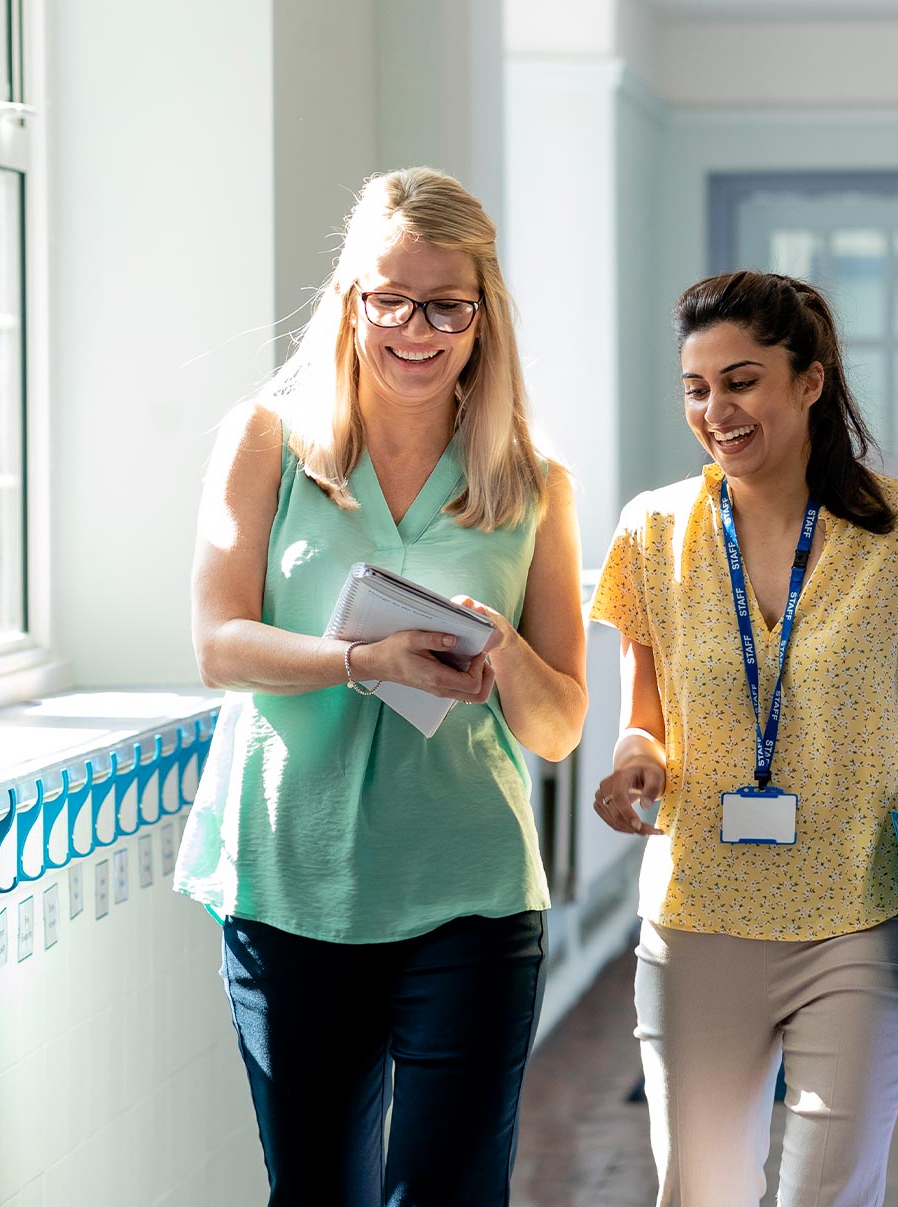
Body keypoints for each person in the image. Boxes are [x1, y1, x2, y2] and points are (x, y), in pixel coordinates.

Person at [174, 166, 587, 1207]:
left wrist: (504, 659)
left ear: (484, 315)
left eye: (448, 304)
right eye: (390, 298)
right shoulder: (264, 440)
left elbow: (559, 724)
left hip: (470, 891)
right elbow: (217, 645)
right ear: (350, 298)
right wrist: (362, 662)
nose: (416, 327)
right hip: (291, 881)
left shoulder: (533, 482)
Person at [589, 271, 898, 1207]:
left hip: (861, 918)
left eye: (741, 381)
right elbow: (640, 717)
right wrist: (634, 764)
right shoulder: (652, 531)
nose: (715, 410)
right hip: (696, 919)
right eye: (695, 387)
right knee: (701, 1193)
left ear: (809, 381)